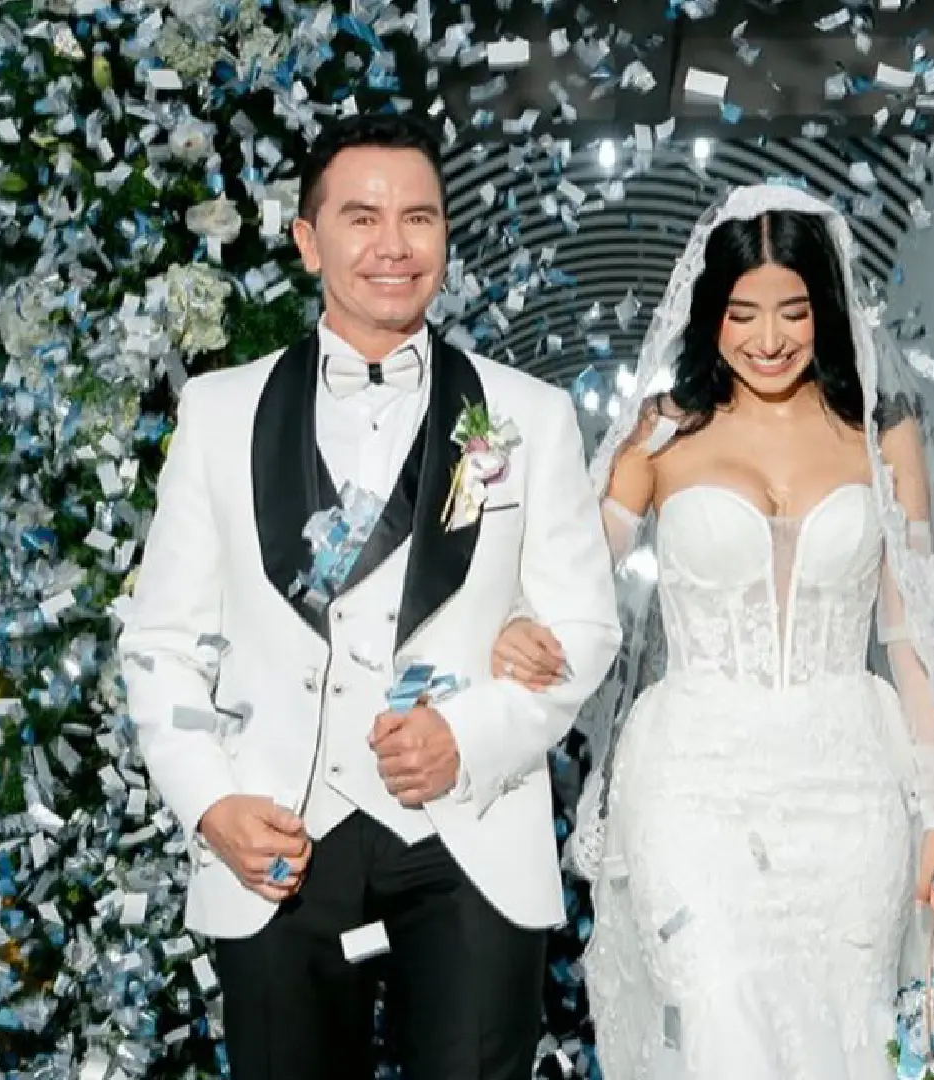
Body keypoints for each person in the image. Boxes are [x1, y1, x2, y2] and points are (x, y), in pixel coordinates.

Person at [491, 184, 934, 1079]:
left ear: (825, 309)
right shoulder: (662, 437)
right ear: (708, 313)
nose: (768, 338)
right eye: (742, 312)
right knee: (717, 1012)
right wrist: (519, 628)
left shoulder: (882, 438)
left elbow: (913, 639)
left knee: (851, 1028)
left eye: (792, 310)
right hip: (692, 785)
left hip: (852, 787)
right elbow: (576, 584)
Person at [115, 113, 622, 1080]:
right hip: (276, 839)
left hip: (469, 840)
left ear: (444, 238)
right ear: (308, 240)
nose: (394, 245)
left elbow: (586, 627)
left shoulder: (526, 415)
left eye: (418, 218)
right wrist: (211, 804)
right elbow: (162, 642)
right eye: (362, 217)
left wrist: (468, 735)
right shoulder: (218, 411)